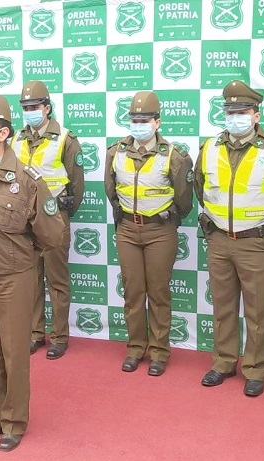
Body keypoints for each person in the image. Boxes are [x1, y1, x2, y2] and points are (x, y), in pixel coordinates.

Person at [0, 94, 64, 452]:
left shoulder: (28, 180)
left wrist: (23, 253)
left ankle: (14, 422)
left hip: (13, 276)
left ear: (2, 133)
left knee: (14, 351)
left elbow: (52, 234)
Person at [194, 80, 264, 396]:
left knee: (256, 309)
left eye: (243, 111)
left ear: (256, 114)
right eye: (231, 111)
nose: (236, 117)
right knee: (222, 306)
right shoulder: (209, 148)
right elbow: (200, 188)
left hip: (255, 241)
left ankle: (255, 368)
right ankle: (223, 362)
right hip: (220, 239)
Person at [104, 91, 194, 377]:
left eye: (144, 120)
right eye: (134, 119)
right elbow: (111, 190)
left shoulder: (175, 155)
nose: (138, 124)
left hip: (160, 230)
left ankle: (159, 351)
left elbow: (184, 199)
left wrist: (163, 217)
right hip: (128, 229)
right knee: (132, 291)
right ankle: (135, 348)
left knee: (158, 292)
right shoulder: (115, 151)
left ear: (157, 122)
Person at [10, 80, 84, 359]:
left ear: (47, 108)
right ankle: (35, 333)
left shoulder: (65, 137)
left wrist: (62, 213)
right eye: (25, 107)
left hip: (54, 216)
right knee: (31, 279)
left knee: (57, 279)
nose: (29, 111)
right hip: (24, 219)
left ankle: (60, 336)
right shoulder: (16, 138)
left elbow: (76, 183)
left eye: (34, 107)